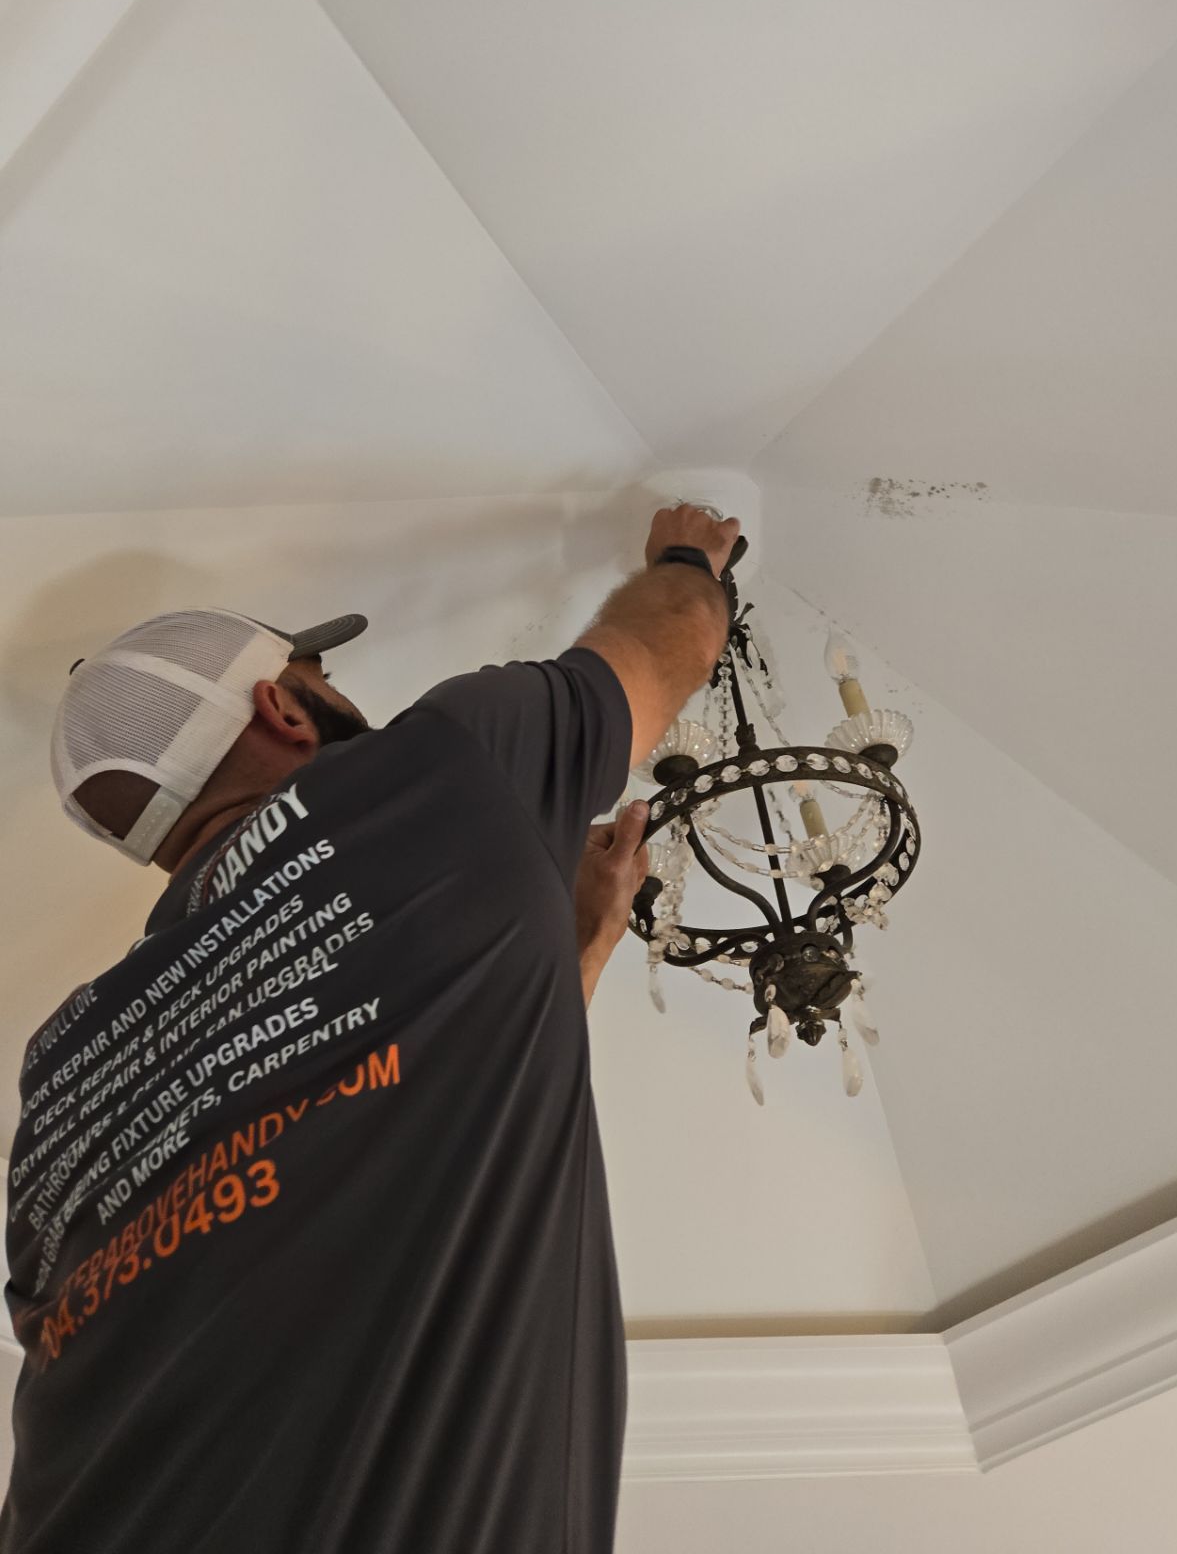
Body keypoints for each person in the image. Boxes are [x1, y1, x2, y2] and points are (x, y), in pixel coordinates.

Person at [1, 501, 740, 1554]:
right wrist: (692, 554)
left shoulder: (60, 1071)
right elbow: (670, 638)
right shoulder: (438, 770)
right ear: (285, 710)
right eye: (321, 677)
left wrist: (567, 949)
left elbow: (383, 1133)